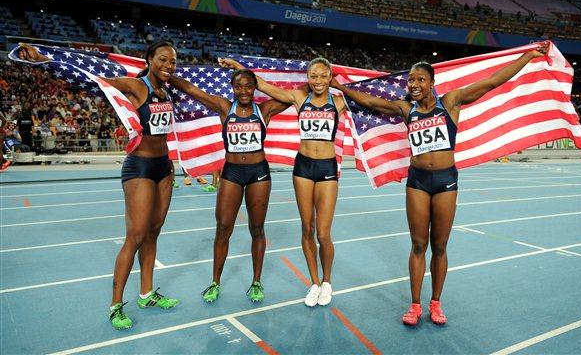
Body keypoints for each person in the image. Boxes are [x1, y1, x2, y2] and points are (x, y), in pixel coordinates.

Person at [330, 43, 548, 325]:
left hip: (445, 180)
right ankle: (415, 305)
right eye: (411, 80)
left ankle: (436, 302)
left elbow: (493, 81)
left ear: (432, 83)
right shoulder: (405, 108)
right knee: (418, 245)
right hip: (418, 182)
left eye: (421, 79)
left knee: (440, 246)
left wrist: (527, 57)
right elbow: (370, 102)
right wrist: (339, 86)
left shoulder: (451, 102)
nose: (415, 83)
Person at [18, 41, 181, 330]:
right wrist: (45, 60)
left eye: (173, 61)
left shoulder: (167, 91)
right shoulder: (135, 85)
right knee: (136, 236)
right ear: (149, 60)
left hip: (164, 167)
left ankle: (146, 294)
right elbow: (94, 82)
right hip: (140, 166)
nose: (169, 65)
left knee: (154, 233)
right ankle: (116, 305)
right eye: (164, 60)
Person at [220, 57, 345, 307]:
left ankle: (327, 282)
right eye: (313, 76)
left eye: (323, 76)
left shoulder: (339, 101)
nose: (318, 81)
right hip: (303, 167)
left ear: (330, 77)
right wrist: (238, 67)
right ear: (307, 77)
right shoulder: (299, 97)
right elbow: (263, 86)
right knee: (306, 228)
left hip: (328, 167)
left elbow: (369, 101)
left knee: (323, 233)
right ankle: (313, 283)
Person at [168, 67, 289, 303]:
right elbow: (193, 90)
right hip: (232, 173)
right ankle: (215, 282)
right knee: (223, 228)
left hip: (258, 173)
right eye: (238, 86)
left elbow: (295, 97)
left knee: (257, 229)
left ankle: (256, 282)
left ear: (255, 88)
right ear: (232, 88)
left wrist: (321, 82)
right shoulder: (225, 107)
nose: (243, 91)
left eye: (248, 86)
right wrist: (165, 75)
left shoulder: (264, 109)